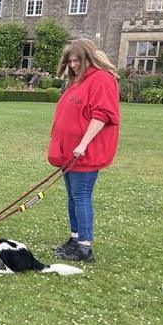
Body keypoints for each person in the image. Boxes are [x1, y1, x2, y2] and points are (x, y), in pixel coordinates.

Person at [48, 38, 120, 262]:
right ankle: (75, 238)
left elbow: (103, 115)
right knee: (73, 196)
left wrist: (83, 143)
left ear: (88, 58)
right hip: (68, 154)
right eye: (70, 61)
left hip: (84, 153)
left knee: (81, 196)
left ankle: (84, 247)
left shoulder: (102, 80)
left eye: (77, 61)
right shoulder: (77, 82)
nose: (73, 65)